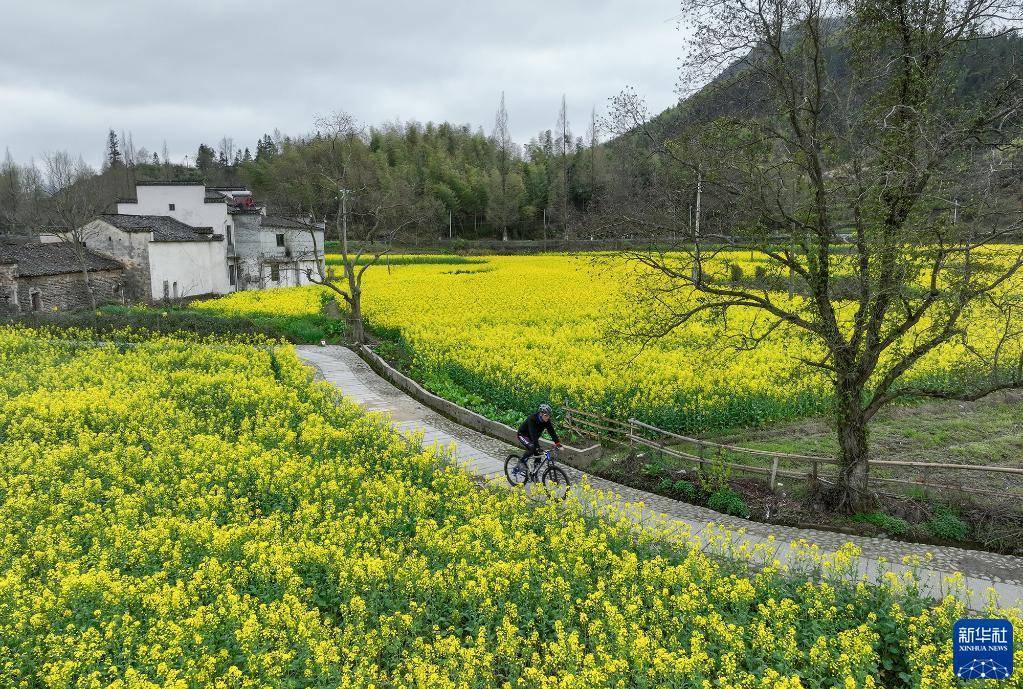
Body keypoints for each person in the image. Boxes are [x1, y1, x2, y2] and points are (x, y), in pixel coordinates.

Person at [516, 403, 562, 471]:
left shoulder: (546, 421)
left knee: (538, 455)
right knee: (532, 448)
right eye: (546, 415)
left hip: (532, 437)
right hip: (523, 435)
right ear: (541, 414)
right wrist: (537, 447)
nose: (548, 417)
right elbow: (533, 434)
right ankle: (520, 462)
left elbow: (552, 432)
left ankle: (534, 472)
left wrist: (557, 443)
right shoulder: (532, 419)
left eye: (549, 415)